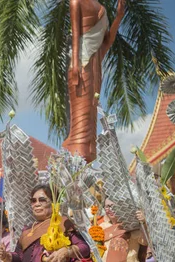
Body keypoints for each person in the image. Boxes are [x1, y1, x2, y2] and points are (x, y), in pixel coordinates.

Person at [63, 0, 125, 161]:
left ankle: (85, 159)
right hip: (81, 67)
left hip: (94, 67)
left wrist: (118, 17)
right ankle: (75, 159)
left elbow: (106, 43)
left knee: (91, 122)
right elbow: (76, 36)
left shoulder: (101, 9)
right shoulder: (76, 2)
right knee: (81, 125)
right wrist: (76, 65)